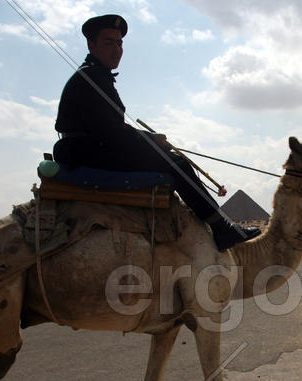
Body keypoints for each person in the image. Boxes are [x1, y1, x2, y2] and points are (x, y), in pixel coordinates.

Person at [53, 14, 260, 252]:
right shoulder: (92, 77)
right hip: (86, 151)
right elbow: (111, 132)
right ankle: (221, 228)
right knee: (176, 164)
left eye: (120, 43)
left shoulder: (95, 75)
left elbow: (109, 128)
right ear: (92, 45)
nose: (117, 49)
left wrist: (148, 139)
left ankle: (219, 224)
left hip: (90, 147)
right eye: (109, 43)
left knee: (170, 158)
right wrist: (150, 140)